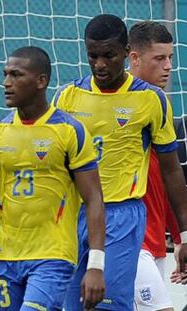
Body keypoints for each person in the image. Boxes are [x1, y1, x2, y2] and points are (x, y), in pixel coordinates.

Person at [0, 46, 106, 311]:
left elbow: (94, 198)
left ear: (41, 81)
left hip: (53, 257)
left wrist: (95, 265)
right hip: (5, 257)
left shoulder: (70, 130)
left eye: (16, 75)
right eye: (5, 74)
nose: (6, 83)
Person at [54, 14, 187, 311]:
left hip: (121, 215)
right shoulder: (67, 97)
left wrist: (184, 233)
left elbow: (171, 168)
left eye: (109, 55)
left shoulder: (150, 99)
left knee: (108, 304)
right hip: (74, 215)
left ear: (126, 53)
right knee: (71, 305)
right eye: (93, 56)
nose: (100, 64)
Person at [129, 20, 182, 311]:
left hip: (155, 240)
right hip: (127, 239)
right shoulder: (114, 105)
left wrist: (180, 237)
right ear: (134, 58)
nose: (168, 66)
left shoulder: (160, 103)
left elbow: (169, 177)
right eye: (159, 58)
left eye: (170, 58)